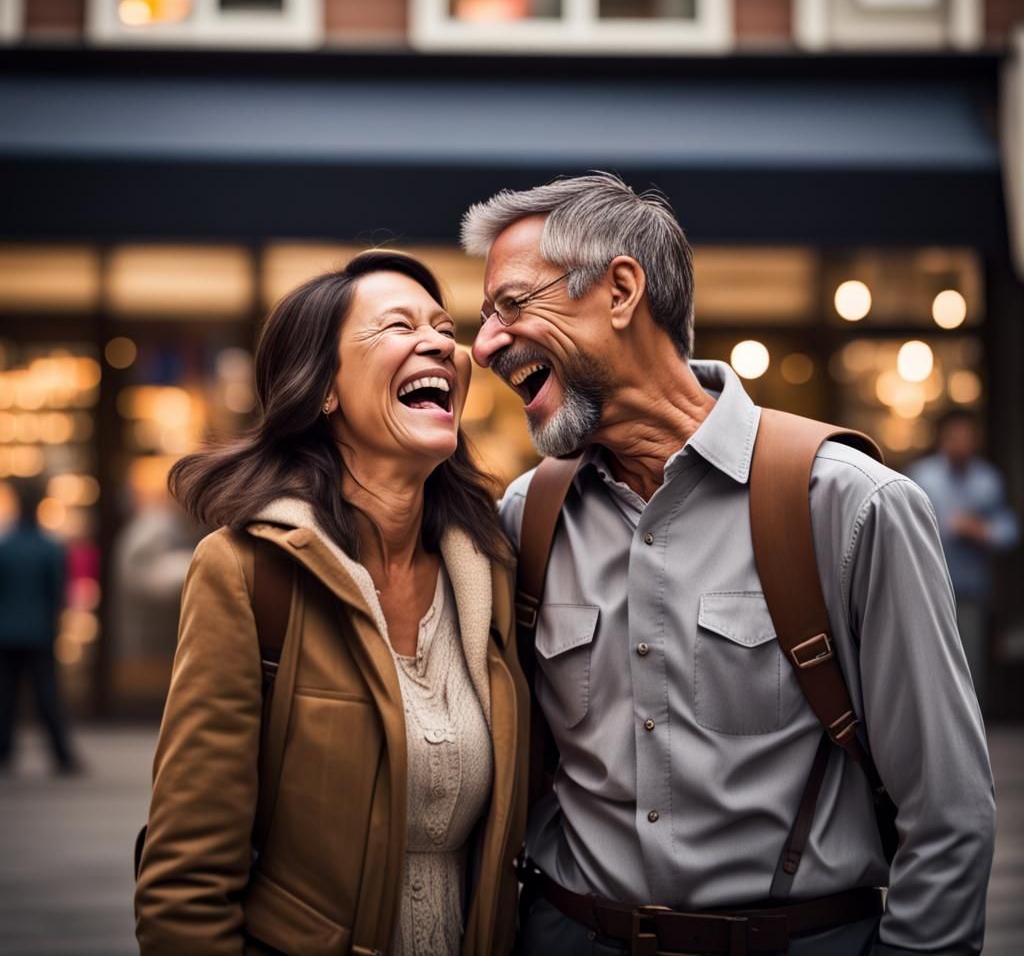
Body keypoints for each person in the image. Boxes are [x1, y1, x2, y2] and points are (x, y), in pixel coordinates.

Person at [463, 173, 996, 955]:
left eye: (511, 305)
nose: (483, 346)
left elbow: (949, 818)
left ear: (620, 291)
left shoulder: (850, 506)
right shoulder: (527, 516)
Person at [134, 250, 528, 956]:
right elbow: (185, 882)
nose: (440, 341)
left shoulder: (495, 573)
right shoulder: (246, 573)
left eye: (444, 326)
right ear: (324, 390)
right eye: (397, 326)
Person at [907, 409, 1019, 713]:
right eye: (953, 436)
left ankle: (970, 734)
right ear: (942, 439)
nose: (960, 443)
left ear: (975, 440)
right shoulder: (921, 477)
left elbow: (1010, 531)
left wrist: (981, 530)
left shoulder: (988, 480)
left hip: (969, 591)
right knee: (928, 664)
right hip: (927, 589)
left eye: (966, 437)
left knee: (969, 666)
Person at [0, 477, 79, 774]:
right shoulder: (49, 548)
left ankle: (4, 749)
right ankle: (61, 754)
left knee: (6, 695)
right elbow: (58, 592)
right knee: (47, 694)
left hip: (6, 632)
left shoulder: (5, 546)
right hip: (38, 631)